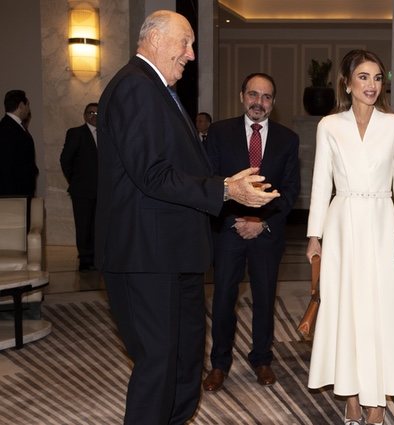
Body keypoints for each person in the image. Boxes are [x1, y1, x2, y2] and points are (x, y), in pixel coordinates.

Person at [96, 10, 279, 424]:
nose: (191, 54)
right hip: (146, 256)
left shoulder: (157, 90)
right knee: (159, 366)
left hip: (174, 255)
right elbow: (151, 174)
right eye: (185, 43)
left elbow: (178, 168)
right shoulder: (135, 88)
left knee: (183, 364)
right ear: (155, 39)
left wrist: (223, 184)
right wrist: (225, 190)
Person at [306, 49, 394, 425]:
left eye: (378, 77)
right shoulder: (329, 126)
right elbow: (321, 183)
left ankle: (377, 400)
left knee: (379, 310)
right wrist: (314, 234)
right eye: (363, 77)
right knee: (344, 309)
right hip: (341, 223)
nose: (371, 85)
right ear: (347, 83)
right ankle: (351, 396)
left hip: (383, 220)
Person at [203, 73, 300, 391]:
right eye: (254, 95)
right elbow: (212, 183)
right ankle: (219, 364)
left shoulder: (288, 139)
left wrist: (261, 222)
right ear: (242, 95)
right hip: (228, 231)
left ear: (274, 102)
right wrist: (237, 221)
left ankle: (262, 359)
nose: (259, 102)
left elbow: (289, 191)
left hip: (267, 233)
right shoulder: (218, 133)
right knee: (223, 300)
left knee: (264, 299)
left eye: (267, 97)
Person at [60, 102, 99, 271]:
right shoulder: (76, 133)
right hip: (82, 190)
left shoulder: (107, 134)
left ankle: (97, 257)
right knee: (83, 225)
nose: (94, 116)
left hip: (102, 191)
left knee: (98, 226)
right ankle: (85, 259)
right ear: (84, 115)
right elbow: (65, 160)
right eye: (90, 113)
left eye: (98, 113)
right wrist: (74, 181)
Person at [0, 89, 38, 197]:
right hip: (14, 194)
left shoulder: (15, 126)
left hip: (20, 191)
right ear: (21, 105)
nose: (28, 109)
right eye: (28, 105)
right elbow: (6, 165)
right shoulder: (7, 129)